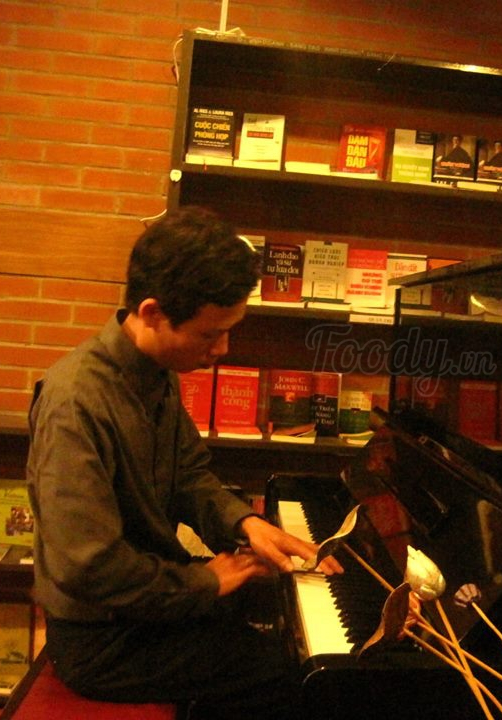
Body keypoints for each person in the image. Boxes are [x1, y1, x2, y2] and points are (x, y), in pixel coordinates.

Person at [26, 206, 341, 720]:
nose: (223, 349)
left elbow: (189, 476)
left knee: (283, 604)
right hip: (101, 640)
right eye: (209, 334)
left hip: (144, 603)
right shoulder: (75, 402)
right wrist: (207, 582)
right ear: (152, 312)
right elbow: (88, 566)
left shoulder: (157, 370)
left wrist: (247, 524)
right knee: (290, 673)